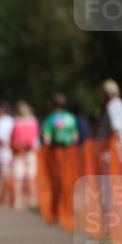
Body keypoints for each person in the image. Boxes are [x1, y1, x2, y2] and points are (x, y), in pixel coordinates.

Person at [40, 93, 79, 225]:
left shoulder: (51, 119)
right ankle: (68, 211)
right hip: (70, 153)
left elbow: (47, 139)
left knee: (55, 182)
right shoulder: (71, 118)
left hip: (56, 153)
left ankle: (56, 211)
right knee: (69, 181)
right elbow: (75, 137)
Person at [10, 101, 39, 211]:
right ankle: (32, 200)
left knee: (18, 178)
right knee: (31, 177)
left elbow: (13, 139)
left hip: (19, 151)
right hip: (30, 152)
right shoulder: (34, 122)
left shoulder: (17, 123)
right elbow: (35, 139)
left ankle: (18, 201)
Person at [101, 79, 122, 167]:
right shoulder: (121, 106)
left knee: (107, 181)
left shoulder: (112, 106)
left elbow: (116, 131)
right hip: (118, 154)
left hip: (110, 156)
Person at [0, 102, 15, 207]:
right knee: (11, 173)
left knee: (4, 174)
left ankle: (6, 197)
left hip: (4, 150)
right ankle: (11, 196)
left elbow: (0, 138)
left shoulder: (0, 122)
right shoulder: (12, 120)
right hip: (13, 150)